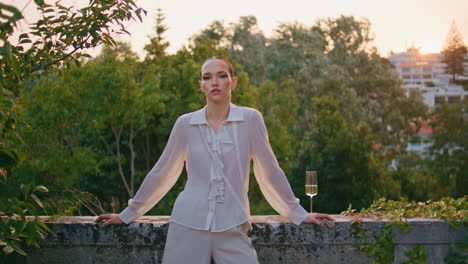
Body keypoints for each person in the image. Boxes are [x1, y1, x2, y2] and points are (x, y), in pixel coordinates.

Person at [95, 56, 335, 263]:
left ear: (233, 81)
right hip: (188, 223)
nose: (215, 82)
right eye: (207, 77)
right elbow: (163, 171)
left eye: (221, 76)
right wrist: (128, 213)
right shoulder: (185, 123)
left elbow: (269, 170)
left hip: (233, 224)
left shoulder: (251, 119)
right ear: (201, 85)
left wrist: (298, 213)